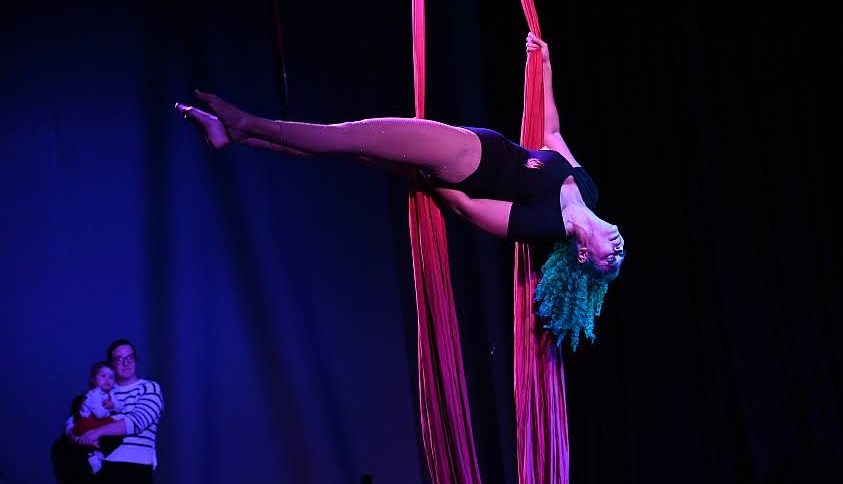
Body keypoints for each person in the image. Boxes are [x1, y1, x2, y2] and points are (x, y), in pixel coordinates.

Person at [176, 33, 624, 350]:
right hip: (469, 149)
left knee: (347, 136)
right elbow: (551, 134)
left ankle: (244, 123)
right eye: (621, 255)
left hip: (462, 159)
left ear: (585, 255)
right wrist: (544, 65)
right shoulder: (588, 190)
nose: (618, 251)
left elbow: (470, 210)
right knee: (349, 148)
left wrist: (436, 180)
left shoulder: (543, 224)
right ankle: (234, 136)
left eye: (611, 261)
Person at [68, 339, 164, 484]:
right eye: (119, 359)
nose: (126, 363)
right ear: (111, 364)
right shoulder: (103, 391)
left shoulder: (149, 387)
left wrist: (96, 432)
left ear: (135, 360)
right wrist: (79, 438)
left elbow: (136, 422)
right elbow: (73, 422)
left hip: (135, 468)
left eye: (130, 357)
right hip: (101, 468)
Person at [69, 361, 125, 474]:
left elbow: (120, 407)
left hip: (98, 423)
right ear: (93, 380)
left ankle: (97, 453)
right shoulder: (92, 395)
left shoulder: (111, 394)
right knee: (118, 421)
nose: (107, 380)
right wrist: (110, 410)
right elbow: (100, 414)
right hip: (87, 423)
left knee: (119, 427)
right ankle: (93, 454)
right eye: (103, 376)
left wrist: (113, 405)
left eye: (111, 377)